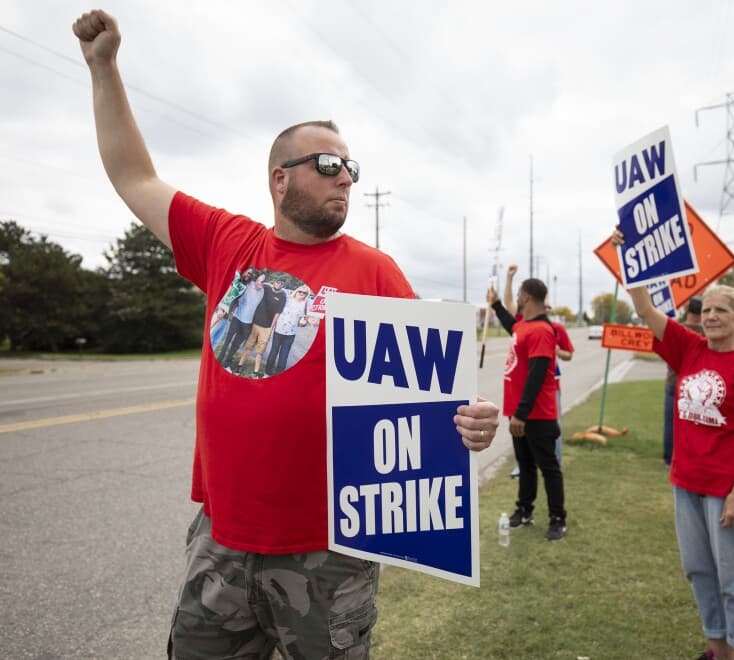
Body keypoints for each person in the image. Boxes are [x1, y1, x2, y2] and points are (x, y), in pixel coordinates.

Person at [73, 10, 500, 659]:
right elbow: (134, 177)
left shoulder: (376, 272)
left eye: (352, 168)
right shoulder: (226, 243)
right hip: (223, 542)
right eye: (329, 163)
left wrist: (466, 426)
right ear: (280, 178)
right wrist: (103, 69)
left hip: (330, 553)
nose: (345, 178)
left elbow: (426, 404)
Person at [614, 230, 734, 660]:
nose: (711, 317)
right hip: (686, 483)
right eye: (705, 310)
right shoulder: (690, 349)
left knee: (733, 581)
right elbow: (645, 307)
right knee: (700, 572)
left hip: (728, 490)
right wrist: (628, 254)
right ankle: (716, 650)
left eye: (721, 310)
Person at [488, 277, 567, 541]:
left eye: (519, 294)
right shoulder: (524, 325)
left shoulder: (542, 331)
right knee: (524, 463)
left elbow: (537, 374)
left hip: (537, 414)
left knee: (549, 467)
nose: (518, 298)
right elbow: (512, 326)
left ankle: (558, 518)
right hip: (519, 411)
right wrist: (496, 303)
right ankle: (525, 509)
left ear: (527, 297)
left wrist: (521, 413)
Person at [502, 264, 574, 472]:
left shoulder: (553, 329)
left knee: (551, 430)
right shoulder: (525, 325)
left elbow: (568, 354)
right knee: (525, 445)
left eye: (549, 308)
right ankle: (523, 466)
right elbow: (508, 305)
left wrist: (556, 351)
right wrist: (508, 279)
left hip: (550, 386)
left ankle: (554, 459)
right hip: (527, 390)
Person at [663, 296, 703, 465]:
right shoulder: (706, 333)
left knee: (670, 423)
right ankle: (691, 457)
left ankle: (668, 458)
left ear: (687, 310)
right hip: (697, 385)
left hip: (674, 381)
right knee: (696, 425)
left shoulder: (677, 330)